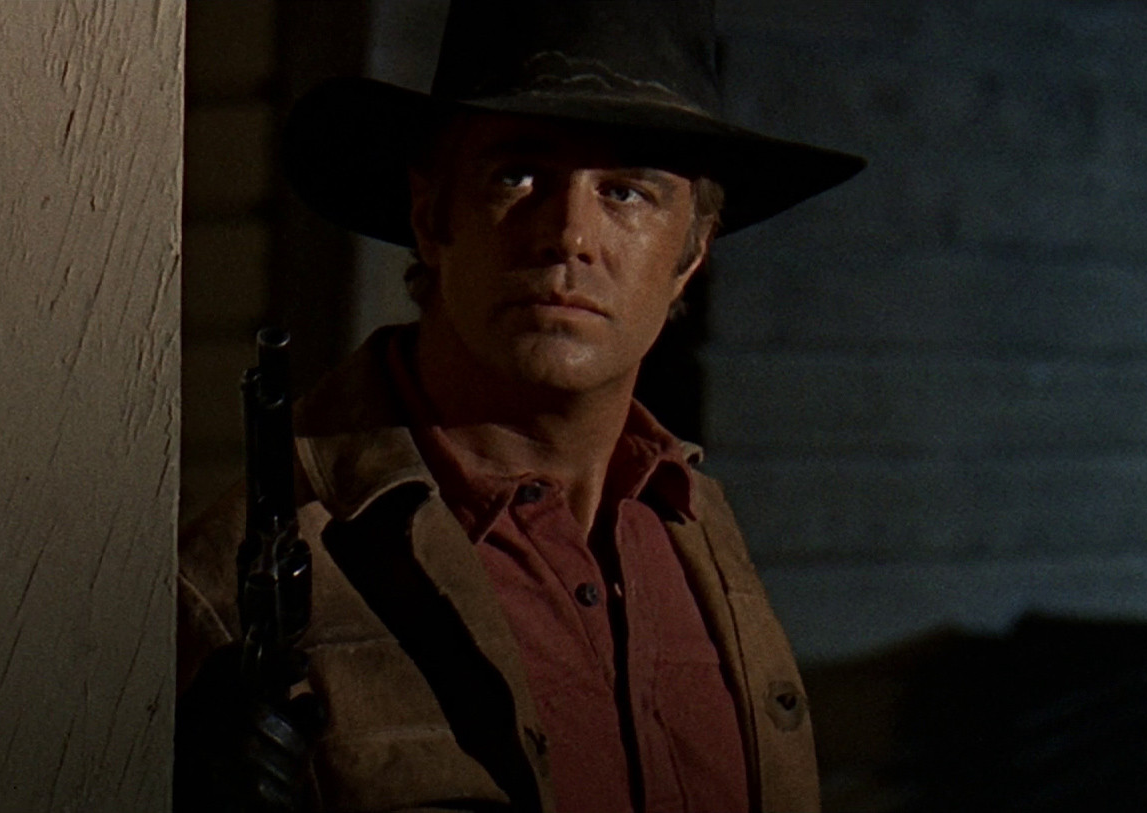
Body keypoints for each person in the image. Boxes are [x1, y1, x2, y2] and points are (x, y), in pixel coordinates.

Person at [175, 2, 865, 811]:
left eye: (626, 191)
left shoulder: (694, 532)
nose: (568, 234)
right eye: (517, 174)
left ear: (690, 253)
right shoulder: (255, 571)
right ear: (430, 216)